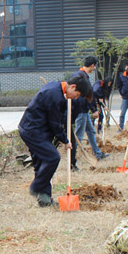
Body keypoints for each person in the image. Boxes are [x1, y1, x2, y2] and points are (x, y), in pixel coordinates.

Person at [18, 75, 93, 207]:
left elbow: (58, 118)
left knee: (41, 163)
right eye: (77, 95)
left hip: (38, 129)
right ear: (73, 87)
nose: (75, 98)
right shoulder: (54, 95)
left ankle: (44, 200)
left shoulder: (56, 89)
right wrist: (65, 140)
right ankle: (36, 187)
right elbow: (55, 122)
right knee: (52, 157)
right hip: (32, 130)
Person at [70, 57, 108, 170]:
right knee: (78, 136)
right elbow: (86, 95)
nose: (94, 68)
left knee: (91, 131)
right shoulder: (81, 76)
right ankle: (72, 161)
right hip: (81, 109)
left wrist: (91, 109)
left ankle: (97, 153)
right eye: (94, 66)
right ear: (92, 65)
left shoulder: (80, 74)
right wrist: (93, 109)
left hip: (84, 109)